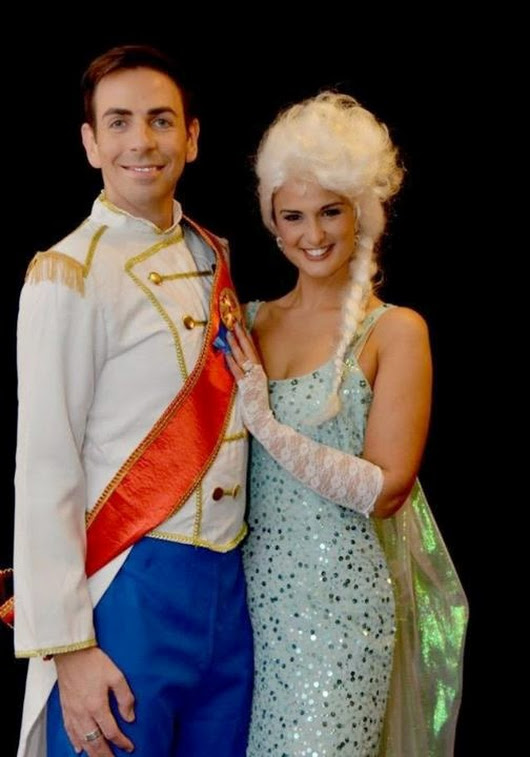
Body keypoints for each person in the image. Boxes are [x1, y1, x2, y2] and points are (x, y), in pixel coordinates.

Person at [7, 44, 253, 757]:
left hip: (229, 591)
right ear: (90, 143)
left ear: (192, 137)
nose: (141, 141)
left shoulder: (213, 254)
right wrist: (69, 647)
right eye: (118, 122)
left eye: (160, 120)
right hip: (126, 590)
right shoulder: (67, 272)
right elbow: (45, 467)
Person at [226, 92, 468, 756]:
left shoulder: (395, 331)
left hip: (340, 620)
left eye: (331, 211)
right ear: (273, 222)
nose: (313, 234)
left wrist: (267, 424)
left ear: (363, 209)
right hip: (242, 614)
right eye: (294, 215)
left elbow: (387, 489)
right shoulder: (247, 322)